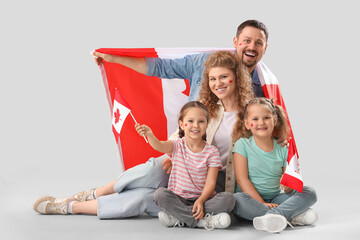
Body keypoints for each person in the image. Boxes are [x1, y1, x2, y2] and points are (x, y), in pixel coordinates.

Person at [33, 51, 252, 219]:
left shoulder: (250, 114)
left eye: (224, 77)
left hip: (215, 181)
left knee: (145, 198)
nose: (218, 84)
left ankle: (72, 208)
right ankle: (90, 194)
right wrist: (174, 155)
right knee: (153, 169)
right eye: (213, 79)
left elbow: (266, 143)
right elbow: (185, 133)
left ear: (237, 78)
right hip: (185, 167)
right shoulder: (207, 109)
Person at [93, 19, 268, 101]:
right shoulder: (204, 62)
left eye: (258, 43)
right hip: (190, 147)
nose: (251, 47)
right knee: (151, 171)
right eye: (246, 40)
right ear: (236, 42)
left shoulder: (266, 85)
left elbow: (271, 122)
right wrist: (113, 58)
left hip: (231, 157)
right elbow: (159, 67)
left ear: (265, 48)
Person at [135, 101, 234, 230]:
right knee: (160, 195)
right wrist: (150, 135)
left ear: (206, 125)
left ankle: (179, 217)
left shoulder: (212, 152)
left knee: (228, 199)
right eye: (191, 121)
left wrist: (201, 200)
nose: (195, 126)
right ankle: (201, 222)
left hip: (204, 200)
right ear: (181, 124)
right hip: (179, 199)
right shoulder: (176, 144)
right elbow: (160, 145)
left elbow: (210, 183)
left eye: (201, 121)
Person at [232, 98, 318, 233]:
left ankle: (274, 216)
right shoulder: (242, 145)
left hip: (276, 198)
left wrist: (288, 185)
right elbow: (242, 179)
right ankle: (289, 215)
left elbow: (288, 186)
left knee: (310, 192)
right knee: (236, 199)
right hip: (251, 200)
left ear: (275, 120)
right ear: (247, 124)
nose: (261, 122)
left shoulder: (283, 148)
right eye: (255, 119)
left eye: (266, 117)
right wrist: (262, 203)